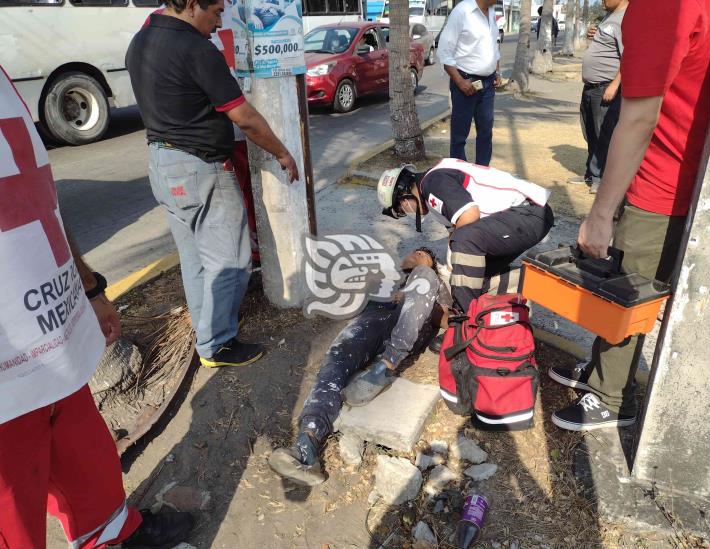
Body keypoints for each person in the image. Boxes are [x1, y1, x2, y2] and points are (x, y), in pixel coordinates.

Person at [0, 67, 193, 548]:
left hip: (52, 340)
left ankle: (114, 535)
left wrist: (89, 288)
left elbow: (38, 197)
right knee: (14, 517)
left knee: (89, 463)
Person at [549, 0, 710, 431]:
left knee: (627, 291)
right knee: (623, 284)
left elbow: (638, 118)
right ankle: (603, 373)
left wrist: (601, 213)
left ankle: (613, 398)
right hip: (687, 173)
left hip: (660, 182)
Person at [126, 0, 300, 369]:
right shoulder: (196, 49)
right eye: (216, 11)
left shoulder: (140, 41)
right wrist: (282, 152)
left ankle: (205, 332)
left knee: (195, 259)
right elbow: (246, 118)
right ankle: (217, 343)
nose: (219, 20)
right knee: (232, 262)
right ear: (191, 5)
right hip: (200, 167)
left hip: (162, 163)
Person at [269, 249, 449, 485]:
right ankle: (306, 443)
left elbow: (443, 318)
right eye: (414, 254)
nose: (415, 257)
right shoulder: (394, 276)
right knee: (336, 358)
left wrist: (414, 288)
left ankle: (386, 365)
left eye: (421, 253)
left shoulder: (433, 280)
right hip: (374, 322)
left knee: (423, 276)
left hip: (405, 328)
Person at [377, 159, 554, 316]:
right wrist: (454, 262)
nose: (407, 212)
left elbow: (469, 217)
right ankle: (515, 291)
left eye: (402, 210)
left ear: (403, 198)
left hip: (529, 214)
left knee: (464, 242)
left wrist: (453, 256)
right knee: (473, 273)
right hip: (520, 216)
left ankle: (465, 320)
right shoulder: (431, 186)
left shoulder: (433, 182)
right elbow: (455, 229)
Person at [569, 0, 627, 194]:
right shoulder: (610, 16)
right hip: (591, 86)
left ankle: (599, 178)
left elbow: (628, 56)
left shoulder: (626, 18)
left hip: (605, 87)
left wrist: (615, 84)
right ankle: (590, 173)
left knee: (603, 134)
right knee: (590, 132)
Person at [436, 0, 502, 167]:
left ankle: (482, 172)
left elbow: (494, 45)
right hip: (465, 83)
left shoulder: (492, 11)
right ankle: (458, 173)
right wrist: (459, 81)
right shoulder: (462, 11)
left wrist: (497, 71)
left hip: (488, 84)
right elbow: (444, 51)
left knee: (486, 132)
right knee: (460, 135)